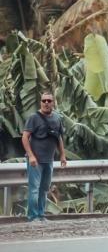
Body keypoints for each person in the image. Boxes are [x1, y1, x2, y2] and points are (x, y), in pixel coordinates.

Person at [21, 91, 67, 222]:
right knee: (34, 189)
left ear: (53, 103)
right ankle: (32, 217)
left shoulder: (57, 118)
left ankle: (41, 215)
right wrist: (31, 156)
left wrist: (62, 155)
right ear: (40, 102)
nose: (46, 103)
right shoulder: (34, 117)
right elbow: (25, 137)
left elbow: (58, 137)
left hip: (49, 160)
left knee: (44, 189)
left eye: (49, 101)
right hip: (36, 160)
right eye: (44, 101)